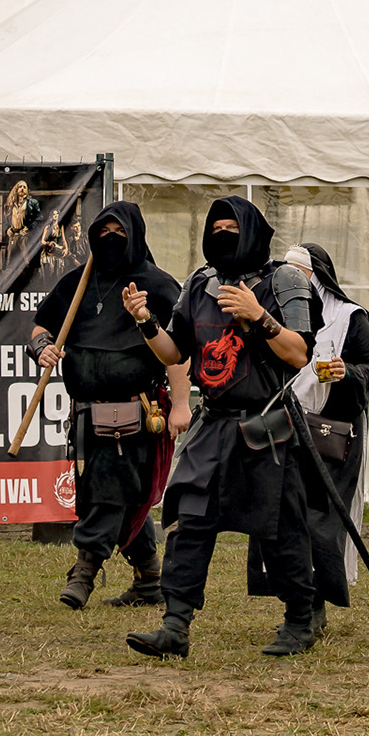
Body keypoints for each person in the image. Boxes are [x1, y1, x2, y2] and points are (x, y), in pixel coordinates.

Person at [122, 196, 322, 658]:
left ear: (253, 231)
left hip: (268, 425)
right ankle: (175, 626)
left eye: (233, 227)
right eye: (217, 228)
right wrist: (145, 321)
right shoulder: (199, 284)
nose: (223, 235)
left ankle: (298, 620)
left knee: (280, 528)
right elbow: (175, 354)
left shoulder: (284, 281)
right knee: (191, 523)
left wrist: (259, 315)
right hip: (213, 424)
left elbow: (299, 354)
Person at [28, 202, 190, 611]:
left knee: (110, 492)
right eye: (104, 231)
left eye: (119, 232)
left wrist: (181, 405)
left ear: (135, 234)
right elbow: (40, 326)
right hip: (86, 412)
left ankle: (84, 572)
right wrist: (42, 348)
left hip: (138, 413)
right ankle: (150, 578)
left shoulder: (157, 284)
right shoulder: (77, 283)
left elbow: (179, 352)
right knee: (119, 495)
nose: (110, 239)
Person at [252, 244, 369, 635]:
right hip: (284, 428)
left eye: (299, 272)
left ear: (318, 277)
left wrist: (347, 372)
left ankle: (314, 607)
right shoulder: (272, 317)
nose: (290, 280)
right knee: (284, 519)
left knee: (320, 523)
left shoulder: (347, 317)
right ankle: (298, 602)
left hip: (331, 432)